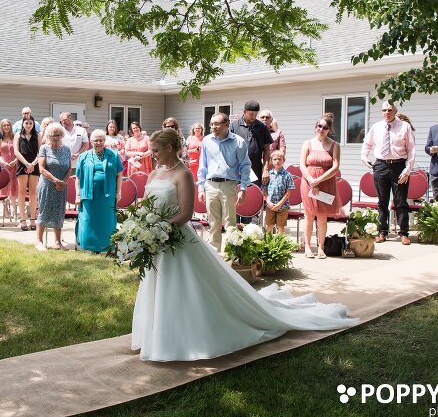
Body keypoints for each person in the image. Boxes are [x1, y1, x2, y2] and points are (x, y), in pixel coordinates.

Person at [132, 128, 358, 362]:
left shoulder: (183, 174)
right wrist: (142, 226)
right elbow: (146, 205)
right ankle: (155, 333)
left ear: (170, 148)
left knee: (182, 287)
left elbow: (185, 213)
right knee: (156, 285)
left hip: (174, 237)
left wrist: (160, 228)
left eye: (156, 150)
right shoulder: (154, 174)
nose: (153, 154)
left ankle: (179, 336)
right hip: (155, 240)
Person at [361, 101, 416, 245]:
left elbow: (411, 148)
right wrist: (364, 157)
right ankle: (382, 232)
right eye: (384, 110)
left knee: (400, 201)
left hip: (399, 166)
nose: (387, 113)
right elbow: (367, 143)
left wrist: (408, 169)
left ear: (395, 111)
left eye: (390, 110)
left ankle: (403, 233)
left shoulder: (404, 126)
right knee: (382, 201)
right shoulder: (377, 127)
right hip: (381, 165)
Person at [197, 112, 252, 252]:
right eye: (211, 124)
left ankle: (230, 254)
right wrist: (200, 188)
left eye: (216, 124)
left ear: (226, 124)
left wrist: (243, 188)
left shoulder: (238, 142)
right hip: (210, 185)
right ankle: (214, 254)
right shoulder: (206, 141)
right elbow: (202, 165)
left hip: (229, 185)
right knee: (213, 223)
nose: (212, 127)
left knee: (230, 223)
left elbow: (245, 166)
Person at [300, 114, 342, 258]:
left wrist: (319, 180)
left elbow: (335, 167)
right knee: (309, 215)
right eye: (319, 126)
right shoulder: (308, 143)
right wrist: (312, 180)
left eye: (325, 127)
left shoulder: (335, 145)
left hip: (326, 183)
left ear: (329, 130)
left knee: (322, 216)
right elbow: (302, 165)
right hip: (308, 182)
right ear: (315, 127)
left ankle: (321, 248)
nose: (321, 129)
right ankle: (307, 246)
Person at [75, 129, 124, 252]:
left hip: (107, 194)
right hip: (88, 194)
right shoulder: (83, 156)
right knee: (88, 220)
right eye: (96, 140)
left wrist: (118, 192)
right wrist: (78, 195)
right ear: (91, 142)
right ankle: (88, 246)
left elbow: (119, 174)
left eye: (101, 140)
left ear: (104, 141)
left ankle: (107, 246)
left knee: (106, 221)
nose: (99, 143)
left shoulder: (113, 155)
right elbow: (78, 178)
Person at [36, 123, 72, 251]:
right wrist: (55, 180)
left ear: (62, 135)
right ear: (48, 136)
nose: (56, 137)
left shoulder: (67, 149)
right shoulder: (44, 148)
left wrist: (63, 181)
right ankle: (39, 241)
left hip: (62, 186)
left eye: (58, 135)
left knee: (59, 212)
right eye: (53, 135)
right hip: (47, 185)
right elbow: (41, 169)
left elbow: (69, 168)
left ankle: (58, 242)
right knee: (44, 211)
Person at [229, 100, 273, 187]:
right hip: (237, 171)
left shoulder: (262, 127)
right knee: (237, 194)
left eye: (256, 114)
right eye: (251, 114)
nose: (253, 116)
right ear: (244, 112)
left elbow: (267, 150)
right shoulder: (234, 126)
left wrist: (265, 169)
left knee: (254, 194)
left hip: (256, 170)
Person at [14, 115, 40, 231]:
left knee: (33, 192)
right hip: (22, 164)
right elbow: (16, 151)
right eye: (26, 123)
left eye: (30, 123)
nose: (28, 125)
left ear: (33, 124)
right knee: (22, 192)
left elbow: (40, 152)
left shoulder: (37, 136)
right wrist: (26, 164)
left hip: (34, 164)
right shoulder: (18, 135)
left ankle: (33, 219)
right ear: (23, 124)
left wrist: (33, 164)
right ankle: (23, 219)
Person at [265, 150, 294, 235]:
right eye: (275, 159)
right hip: (270, 205)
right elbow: (264, 190)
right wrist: (269, 202)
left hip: (283, 206)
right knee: (269, 225)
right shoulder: (268, 174)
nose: (277, 161)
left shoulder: (288, 175)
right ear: (271, 161)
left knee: (280, 227)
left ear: (283, 160)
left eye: (279, 159)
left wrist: (279, 204)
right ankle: (268, 242)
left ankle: (280, 242)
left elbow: (288, 192)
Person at [0, 119, 18, 218]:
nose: (6, 127)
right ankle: (5, 210)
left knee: (14, 187)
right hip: (3, 166)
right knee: (4, 189)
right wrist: (3, 162)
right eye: (4, 125)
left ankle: (14, 209)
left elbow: (19, 152)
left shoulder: (15, 138)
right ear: (1, 127)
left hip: (14, 165)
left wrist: (15, 161)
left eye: (8, 125)